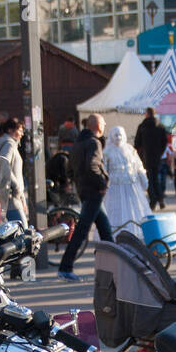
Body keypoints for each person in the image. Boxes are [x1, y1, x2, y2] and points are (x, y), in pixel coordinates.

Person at [57, 114, 112, 282]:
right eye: (103, 123)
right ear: (98, 126)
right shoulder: (94, 142)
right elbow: (92, 165)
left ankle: (113, 266)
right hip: (94, 190)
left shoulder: (78, 142)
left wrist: (77, 181)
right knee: (82, 230)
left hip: (84, 189)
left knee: (105, 230)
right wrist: (102, 183)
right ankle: (65, 267)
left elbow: (70, 168)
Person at [104, 125, 151, 238]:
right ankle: (116, 232)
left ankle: (134, 231)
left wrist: (144, 178)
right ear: (111, 136)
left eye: (120, 135)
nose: (118, 137)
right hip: (115, 186)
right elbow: (104, 169)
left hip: (131, 184)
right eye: (116, 135)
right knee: (117, 209)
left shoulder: (130, 149)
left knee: (134, 208)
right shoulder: (107, 151)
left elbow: (138, 165)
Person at [133, 107, 169, 211]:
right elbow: (164, 142)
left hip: (146, 157)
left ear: (147, 114)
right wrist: (160, 152)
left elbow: (137, 143)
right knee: (156, 178)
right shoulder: (161, 126)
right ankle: (161, 199)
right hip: (157, 157)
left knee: (149, 179)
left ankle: (153, 201)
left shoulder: (142, 126)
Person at [0, 117, 27, 221]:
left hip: (8, 194)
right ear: (10, 130)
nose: (22, 133)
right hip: (11, 196)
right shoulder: (9, 144)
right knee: (22, 229)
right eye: (20, 130)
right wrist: (16, 186)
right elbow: (3, 165)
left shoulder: (3, 143)